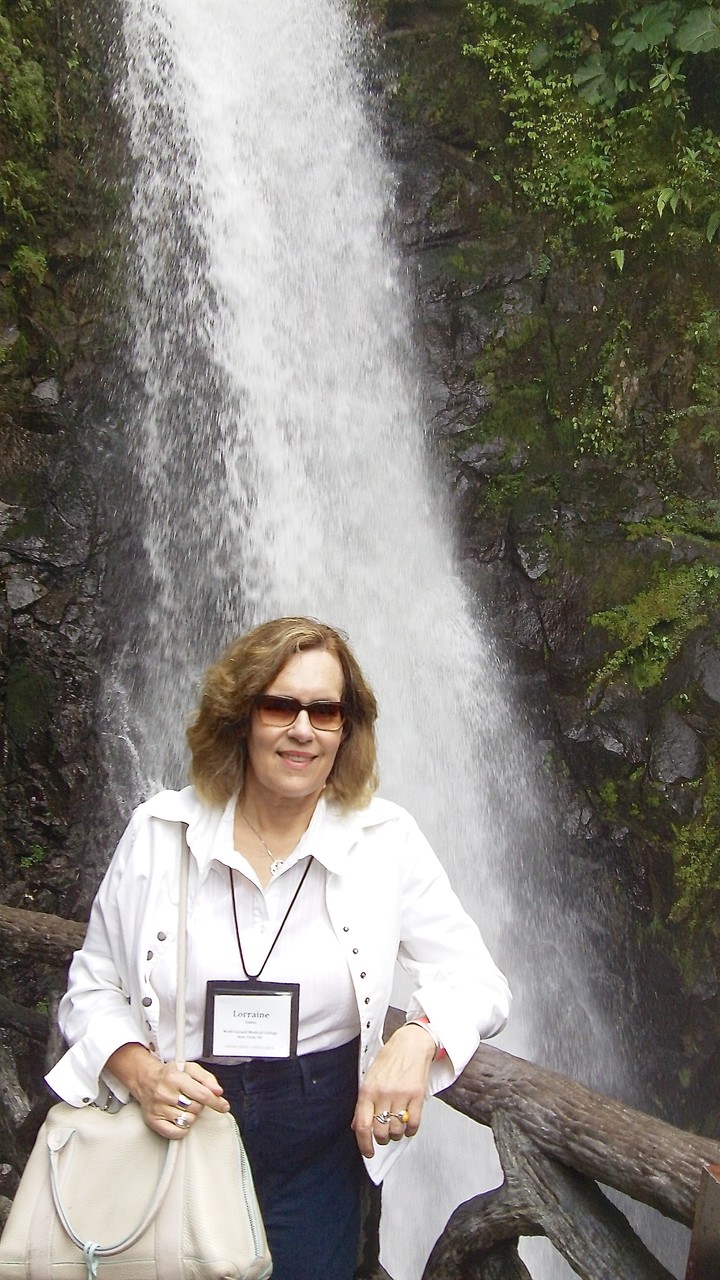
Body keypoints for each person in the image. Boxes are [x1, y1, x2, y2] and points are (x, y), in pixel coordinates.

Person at [46, 616, 511, 1280]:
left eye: (325, 710)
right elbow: (91, 985)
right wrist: (137, 1071)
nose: (303, 729)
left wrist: (416, 1039)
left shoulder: (387, 840)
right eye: (280, 705)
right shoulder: (159, 833)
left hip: (317, 1146)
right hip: (176, 1124)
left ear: (347, 728)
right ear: (240, 717)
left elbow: (478, 981)